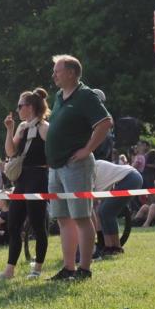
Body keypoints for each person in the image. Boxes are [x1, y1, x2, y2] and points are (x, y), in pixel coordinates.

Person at [46, 55, 113, 280]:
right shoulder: (58, 96)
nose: (54, 74)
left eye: (58, 71)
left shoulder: (86, 95)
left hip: (77, 166)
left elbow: (105, 123)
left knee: (82, 218)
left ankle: (85, 269)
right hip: (56, 167)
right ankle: (68, 268)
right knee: (64, 219)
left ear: (72, 73)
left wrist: (87, 149)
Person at [0, 89, 51, 280]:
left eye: (20, 106)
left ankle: (37, 268)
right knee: (13, 224)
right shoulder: (22, 127)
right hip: (21, 179)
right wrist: (9, 129)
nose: (18, 109)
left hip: (38, 177)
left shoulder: (45, 127)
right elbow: (11, 152)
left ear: (30, 107)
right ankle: (9, 269)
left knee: (38, 225)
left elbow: (53, 151)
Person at [92, 159, 144, 256]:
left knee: (106, 212)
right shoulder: (95, 166)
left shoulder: (95, 168)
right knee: (103, 211)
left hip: (131, 178)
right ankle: (109, 246)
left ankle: (115, 247)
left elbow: (96, 198)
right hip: (131, 177)